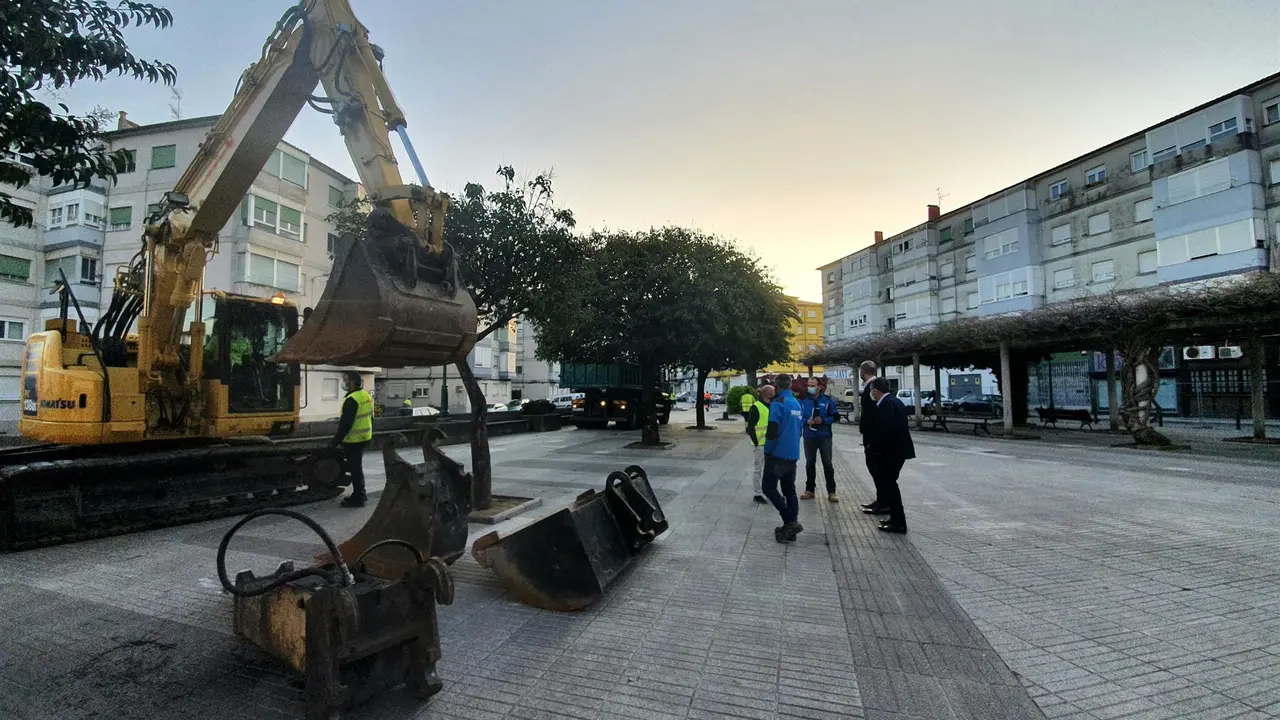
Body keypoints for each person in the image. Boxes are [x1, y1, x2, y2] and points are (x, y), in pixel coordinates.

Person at [866, 377, 915, 533]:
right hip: (898, 451)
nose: (871, 393)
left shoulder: (886, 405)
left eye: (871, 390)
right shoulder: (895, 401)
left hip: (891, 453)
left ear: (876, 391)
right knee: (890, 486)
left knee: (890, 486)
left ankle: (899, 522)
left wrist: (876, 450)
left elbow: (886, 431)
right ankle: (895, 518)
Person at [762, 373, 804, 542]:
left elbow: (772, 430)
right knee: (789, 489)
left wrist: (767, 450)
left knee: (768, 487)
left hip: (778, 453)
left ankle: (790, 521)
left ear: (776, 386)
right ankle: (790, 528)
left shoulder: (778, 403)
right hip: (792, 453)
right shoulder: (796, 403)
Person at [334, 371, 374, 507]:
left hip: (353, 440)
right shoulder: (366, 396)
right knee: (357, 467)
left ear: (351, 382)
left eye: (345, 380)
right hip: (365, 437)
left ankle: (359, 497)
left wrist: (334, 442)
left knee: (355, 468)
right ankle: (360, 494)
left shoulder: (352, 399)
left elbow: (345, 424)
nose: (343, 383)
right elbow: (371, 418)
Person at [853, 360, 886, 515]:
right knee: (876, 470)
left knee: (877, 469)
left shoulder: (873, 388)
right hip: (871, 436)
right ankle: (881, 500)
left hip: (873, 437)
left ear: (863, 371)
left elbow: (873, 413)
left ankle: (883, 502)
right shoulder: (870, 387)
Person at [799, 376, 839, 502]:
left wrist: (824, 420)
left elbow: (835, 416)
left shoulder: (828, 401)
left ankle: (831, 492)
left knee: (827, 464)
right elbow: (798, 417)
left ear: (819, 387)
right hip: (809, 436)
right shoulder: (803, 401)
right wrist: (807, 421)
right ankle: (810, 490)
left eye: (813, 385)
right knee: (810, 463)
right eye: (809, 385)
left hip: (824, 436)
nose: (810, 388)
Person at [746, 384, 775, 504]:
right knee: (758, 469)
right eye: (773, 392)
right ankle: (757, 493)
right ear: (768, 394)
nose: (775, 394)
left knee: (771, 469)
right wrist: (756, 443)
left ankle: (770, 492)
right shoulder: (756, 407)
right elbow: (750, 427)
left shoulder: (774, 406)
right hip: (761, 444)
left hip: (773, 443)